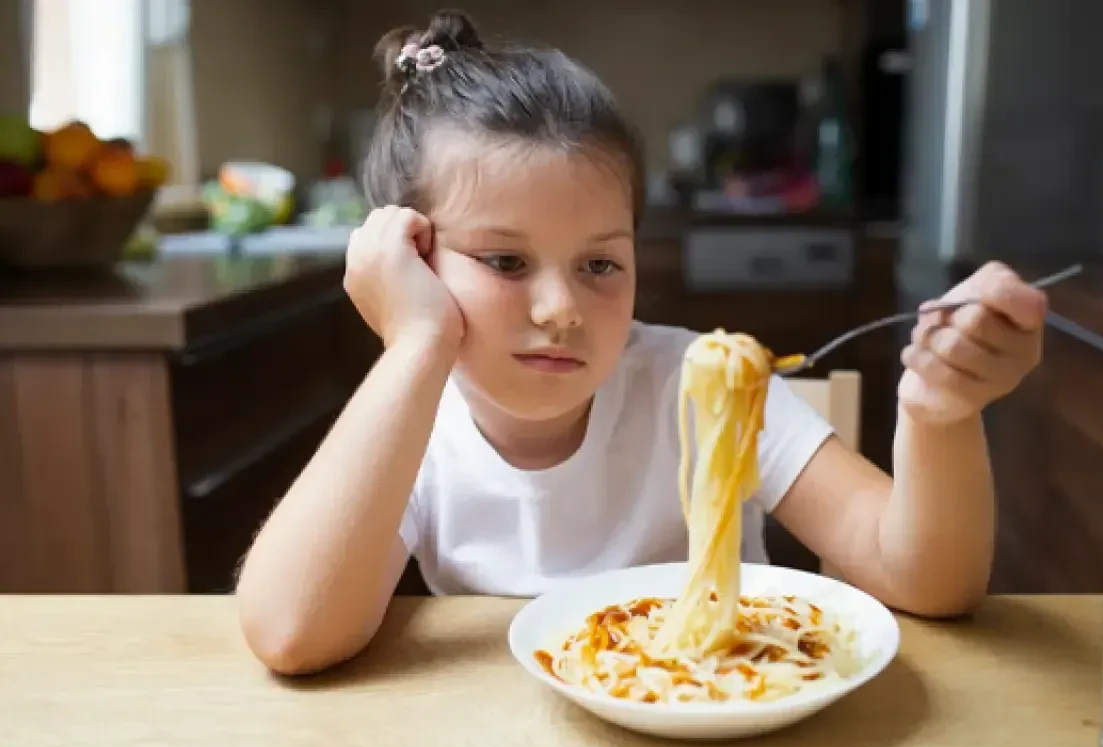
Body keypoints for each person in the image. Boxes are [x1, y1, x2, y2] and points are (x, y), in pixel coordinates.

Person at [236, 9, 1048, 676]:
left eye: (600, 263)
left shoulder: (698, 383)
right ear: (410, 257)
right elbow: (289, 631)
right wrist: (415, 345)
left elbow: (928, 579)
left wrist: (939, 412)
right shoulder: (414, 422)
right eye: (505, 260)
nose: (560, 308)